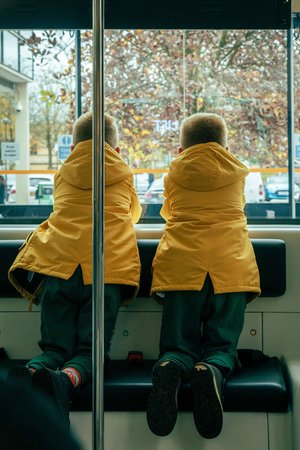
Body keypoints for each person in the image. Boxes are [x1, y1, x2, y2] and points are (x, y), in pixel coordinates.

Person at [7, 112, 142, 425]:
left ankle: (33, 371)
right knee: (89, 352)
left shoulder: (63, 172)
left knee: (54, 347)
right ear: (117, 150)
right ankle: (66, 380)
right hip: (103, 273)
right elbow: (131, 214)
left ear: (73, 148)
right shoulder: (122, 172)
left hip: (58, 267)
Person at [146, 112, 261, 439]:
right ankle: (212, 367)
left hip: (182, 264)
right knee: (222, 340)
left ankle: (171, 364)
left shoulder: (173, 172)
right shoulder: (238, 172)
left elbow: (169, 212)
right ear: (225, 145)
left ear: (182, 149)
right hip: (231, 264)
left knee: (177, 339)